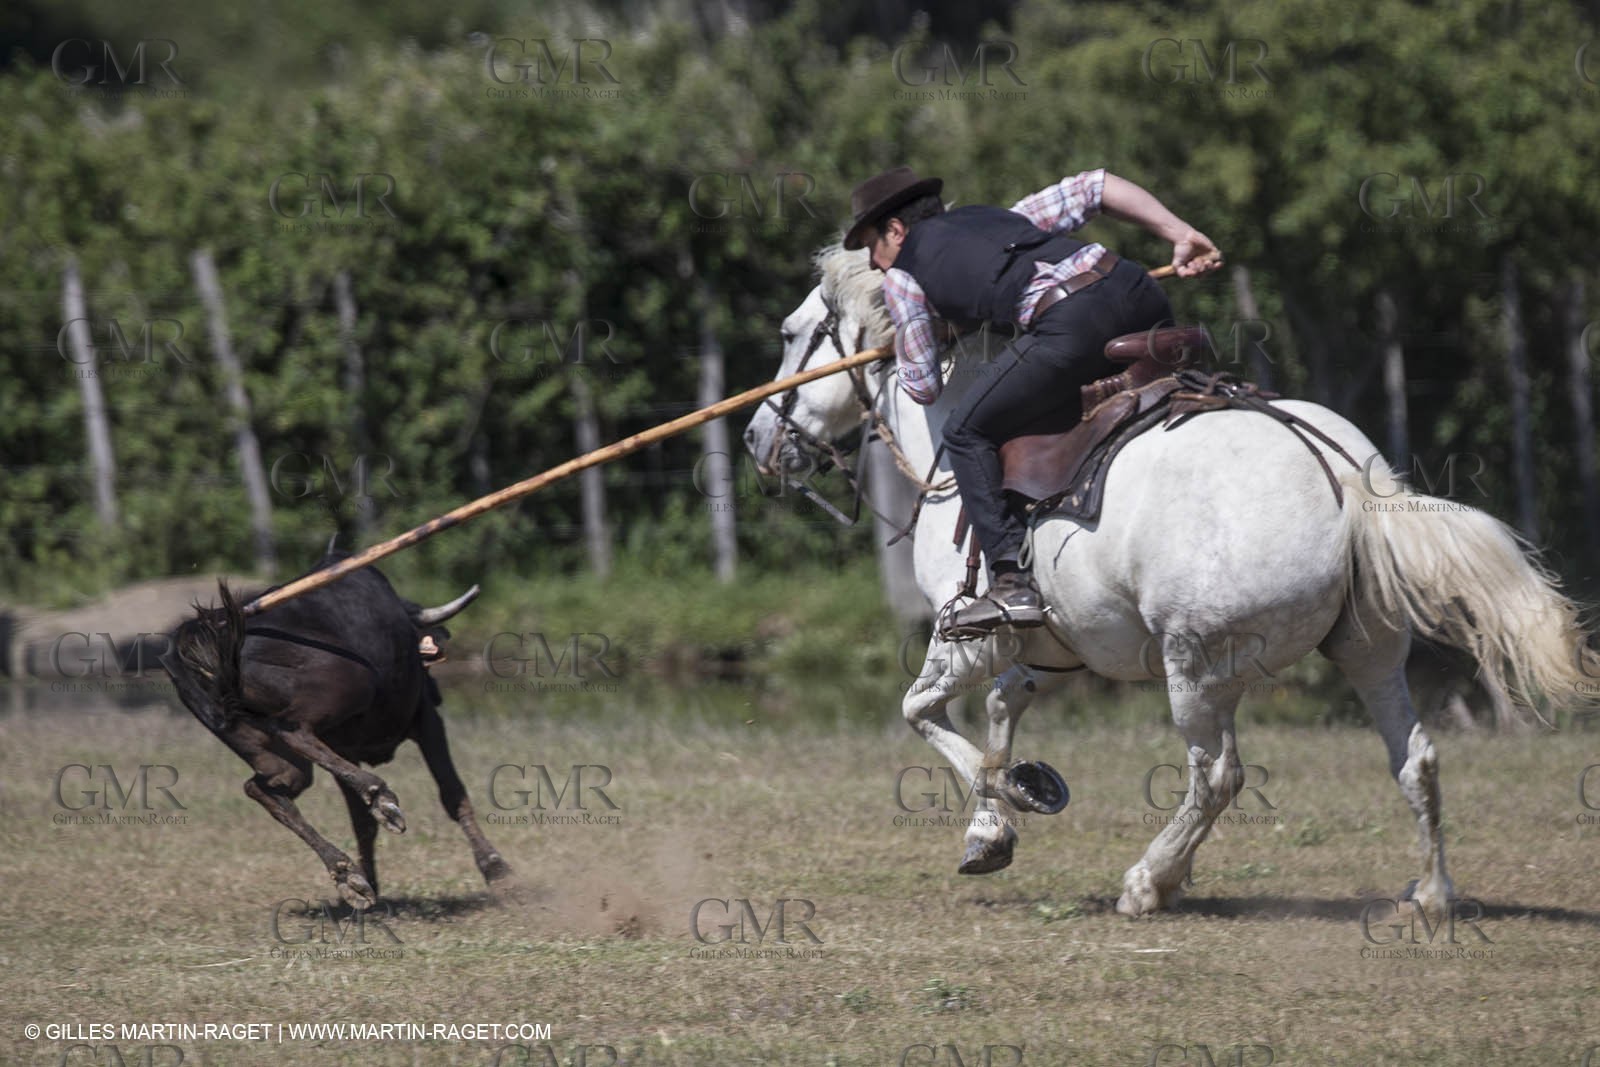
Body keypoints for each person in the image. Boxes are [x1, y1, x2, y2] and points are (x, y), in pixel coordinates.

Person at [843, 166, 1223, 635]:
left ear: (896, 230)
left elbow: (923, 385)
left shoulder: (903, 279)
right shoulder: (1007, 218)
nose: (874, 264)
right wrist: (1182, 234)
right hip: (1138, 291)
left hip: (1073, 325)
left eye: (870, 248)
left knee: (964, 431)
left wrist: (931, 329)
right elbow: (1096, 186)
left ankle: (1011, 585)